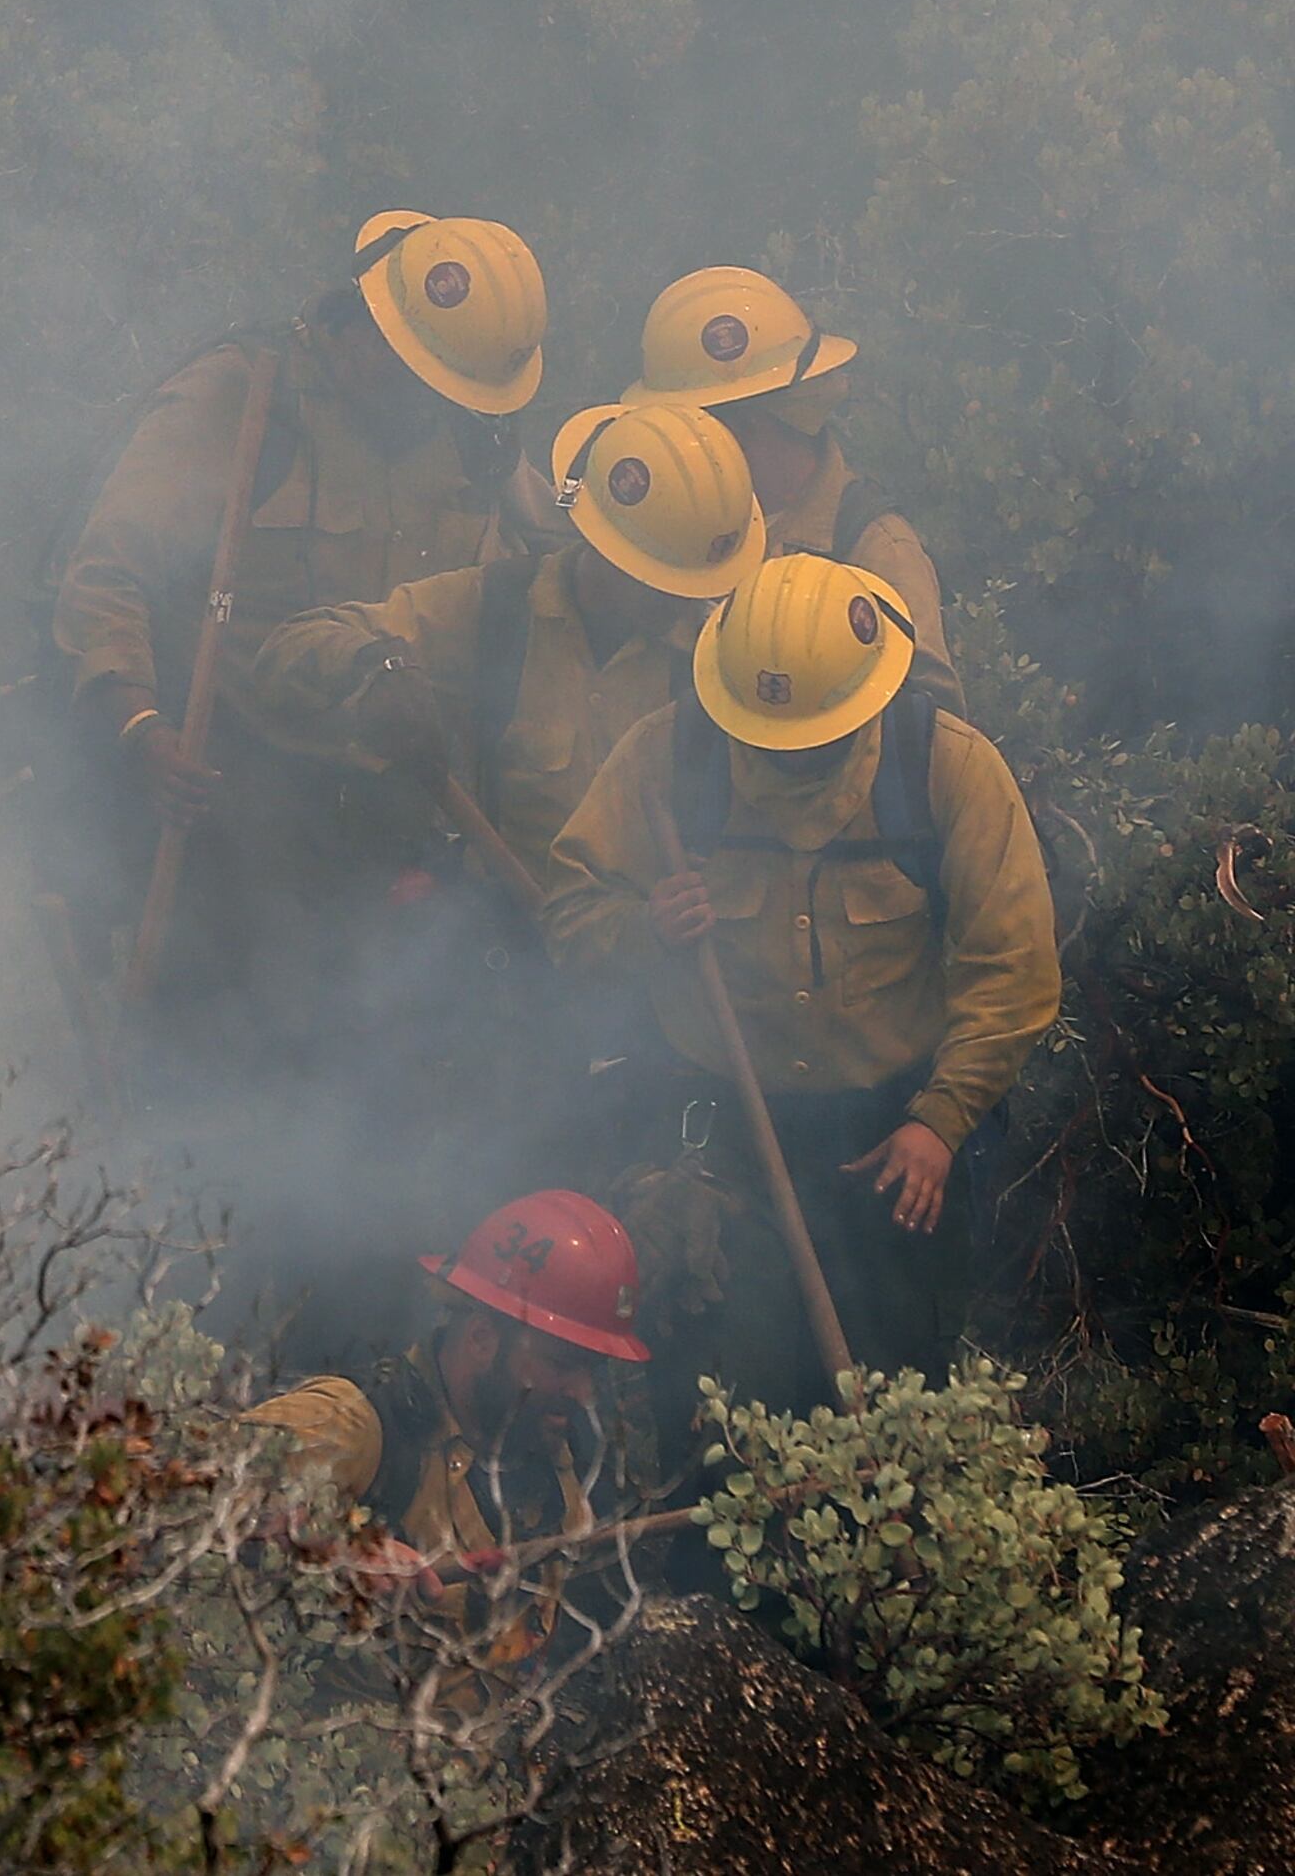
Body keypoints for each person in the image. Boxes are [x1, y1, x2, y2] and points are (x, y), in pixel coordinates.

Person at [541, 553, 1062, 1415]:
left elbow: (1013, 969)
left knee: (896, 1388)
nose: (788, 759)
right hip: (721, 1133)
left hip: (898, 1140)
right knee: (723, 1402)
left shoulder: (947, 771)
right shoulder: (667, 758)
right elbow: (569, 910)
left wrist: (942, 1119)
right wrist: (645, 929)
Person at [45, 210, 549, 1031]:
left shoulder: (471, 428)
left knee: (397, 1032)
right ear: (365, 332)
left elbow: (558, 559)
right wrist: (140, 724)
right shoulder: (246, 399)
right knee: (233, 1026)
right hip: (240, 780)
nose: (432, 405)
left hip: (403, 786)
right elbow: (108, 569)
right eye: (418, 379)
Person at [250, 399, 769, 1192]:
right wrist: (376, 665)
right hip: (503, 983)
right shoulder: (494, 609)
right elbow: (289, 650)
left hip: (648, 989)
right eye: (666, 580)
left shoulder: (717, 658)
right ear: (606, 546)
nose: (685, 602)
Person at [246, 1190, 647, 1657]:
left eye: (592, 1370)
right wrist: (336, 1547)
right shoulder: (356, 1422)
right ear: (480, 1338)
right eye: (562, 1364)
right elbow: (175, 1478)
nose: (584, 1393)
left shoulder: (551, 1442)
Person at [625, 265, 959, 715]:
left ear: (751, 426)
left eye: (698, 429)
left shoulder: (875, 548)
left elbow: (929, 734)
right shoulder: (671, 531)